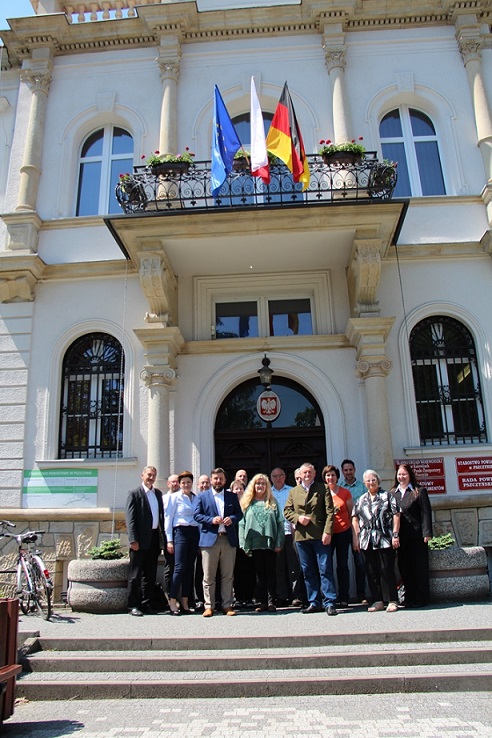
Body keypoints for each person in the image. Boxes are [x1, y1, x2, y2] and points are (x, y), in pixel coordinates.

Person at [283, 462, 338, 616]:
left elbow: (330, 512)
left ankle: (329, 602)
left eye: (310, 472)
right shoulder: (294, 492)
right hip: (302, 537)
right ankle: (314, 601)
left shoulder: (323, 488)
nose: (307, 475)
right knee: (308, 571)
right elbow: (287, 511)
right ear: (300, 475)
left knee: (325, 569)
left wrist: (328, 532)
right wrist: (298, 518)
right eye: (304, 473)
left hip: (320, 535)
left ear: (314, 474)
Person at [193, 467, 243, 617]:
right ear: (211, 480)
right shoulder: (202, 497)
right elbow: (196, 515)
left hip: (227, 539)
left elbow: (239, 514)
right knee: (208, 576)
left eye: (221, 478)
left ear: (225, 480)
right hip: (210, 540)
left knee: (228, 575)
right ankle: (209, 606)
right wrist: (211, 520)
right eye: (216, 478)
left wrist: (232, 519)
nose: (218, 481)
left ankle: (227, 605)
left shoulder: (231, 496)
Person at [352, 469, 400, 613]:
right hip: (367, 540)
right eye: (368, 480)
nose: (371, 482)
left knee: (387, 569)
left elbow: (396, 514)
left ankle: (392, 600)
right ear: (364, 483)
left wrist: (395, 534)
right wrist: (355, 538)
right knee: (371, 571)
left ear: (378, 481)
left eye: (373, 479)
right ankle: (378, 600)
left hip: (384, 537)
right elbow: (355, 518)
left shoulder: (387, 496)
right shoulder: (361, 499)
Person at [239, 474, 285, 612]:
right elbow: (241, 524)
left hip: (270, 544)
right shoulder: (247, 503)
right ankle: (262, 601)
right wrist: (243, 543)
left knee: (271, 572)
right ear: (253, 486)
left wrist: (279, 542)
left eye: (263, 484)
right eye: (258, 484)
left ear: (267, 486)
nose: (260, 486)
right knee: (258, 574)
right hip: (254, 544)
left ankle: (271, 601)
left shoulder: (273, 502)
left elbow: (280, 523)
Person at [390, 463, 432, 608]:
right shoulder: (392, 493)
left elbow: (426, 513)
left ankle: (421, 598)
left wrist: (427, 533)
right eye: (399, 474)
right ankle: (409, 597)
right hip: (401, 538)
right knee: (405, 567)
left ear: (410, 475)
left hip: (417, 536)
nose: (401, 477)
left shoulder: (419, 491)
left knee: (418, 567)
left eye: (404, 474)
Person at [125, 465, 164, 617]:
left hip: (153, 538)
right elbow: (130, 519)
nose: (151, 477)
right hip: (139, 540)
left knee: (150, 574)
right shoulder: (134, 494)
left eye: (153, 475)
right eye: (149, 475)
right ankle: (133, 605)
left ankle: (147, 603)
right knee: (135, 575)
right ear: (142, 476)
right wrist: (133, 540)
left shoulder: (157, 494)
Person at [165, 470, 200, 615]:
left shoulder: (196, 498)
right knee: (179, 567)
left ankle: (185, 601)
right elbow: (168, 518)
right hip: (180, 532)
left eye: (188, 482)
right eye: (183, 482)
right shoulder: (174, 498)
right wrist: (169, 540)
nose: (186, 485)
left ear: (192, 483)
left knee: (190, 568)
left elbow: (198, 518)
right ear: (179, 484)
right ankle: (173, 600)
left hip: (193, 532)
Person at [270, 467, 305, 607]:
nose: (278, 478)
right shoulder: (268, 493)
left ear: (284, 477)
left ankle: (296, 595)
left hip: (291, 533)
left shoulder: (292, 491)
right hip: (275, 535)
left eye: (280, 476)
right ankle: (281, 596)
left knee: (294, 566)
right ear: (271, 478)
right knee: (278, 567)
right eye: (275, 476)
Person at [323, 465, 353, 608]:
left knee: (342, 565)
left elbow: (351, 513)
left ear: (337, 477)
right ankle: (330, 597)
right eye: (328, 475)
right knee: (326, 566)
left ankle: (344, 596)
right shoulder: (321, 493)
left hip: (343, 532)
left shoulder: (345, 492)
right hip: (327, 534)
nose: (330, 478)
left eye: (333, 475)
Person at [341, 459, 368, 603]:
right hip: (343, 529)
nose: (348, 472)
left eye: (350, 469)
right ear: (342, 472)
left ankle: (361, 594)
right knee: (342, 564)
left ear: (355, 470)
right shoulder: (339, 487)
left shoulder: (363, 487)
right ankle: (343, 596)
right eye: (346, 470)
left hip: (360, 529)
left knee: (360, 563)